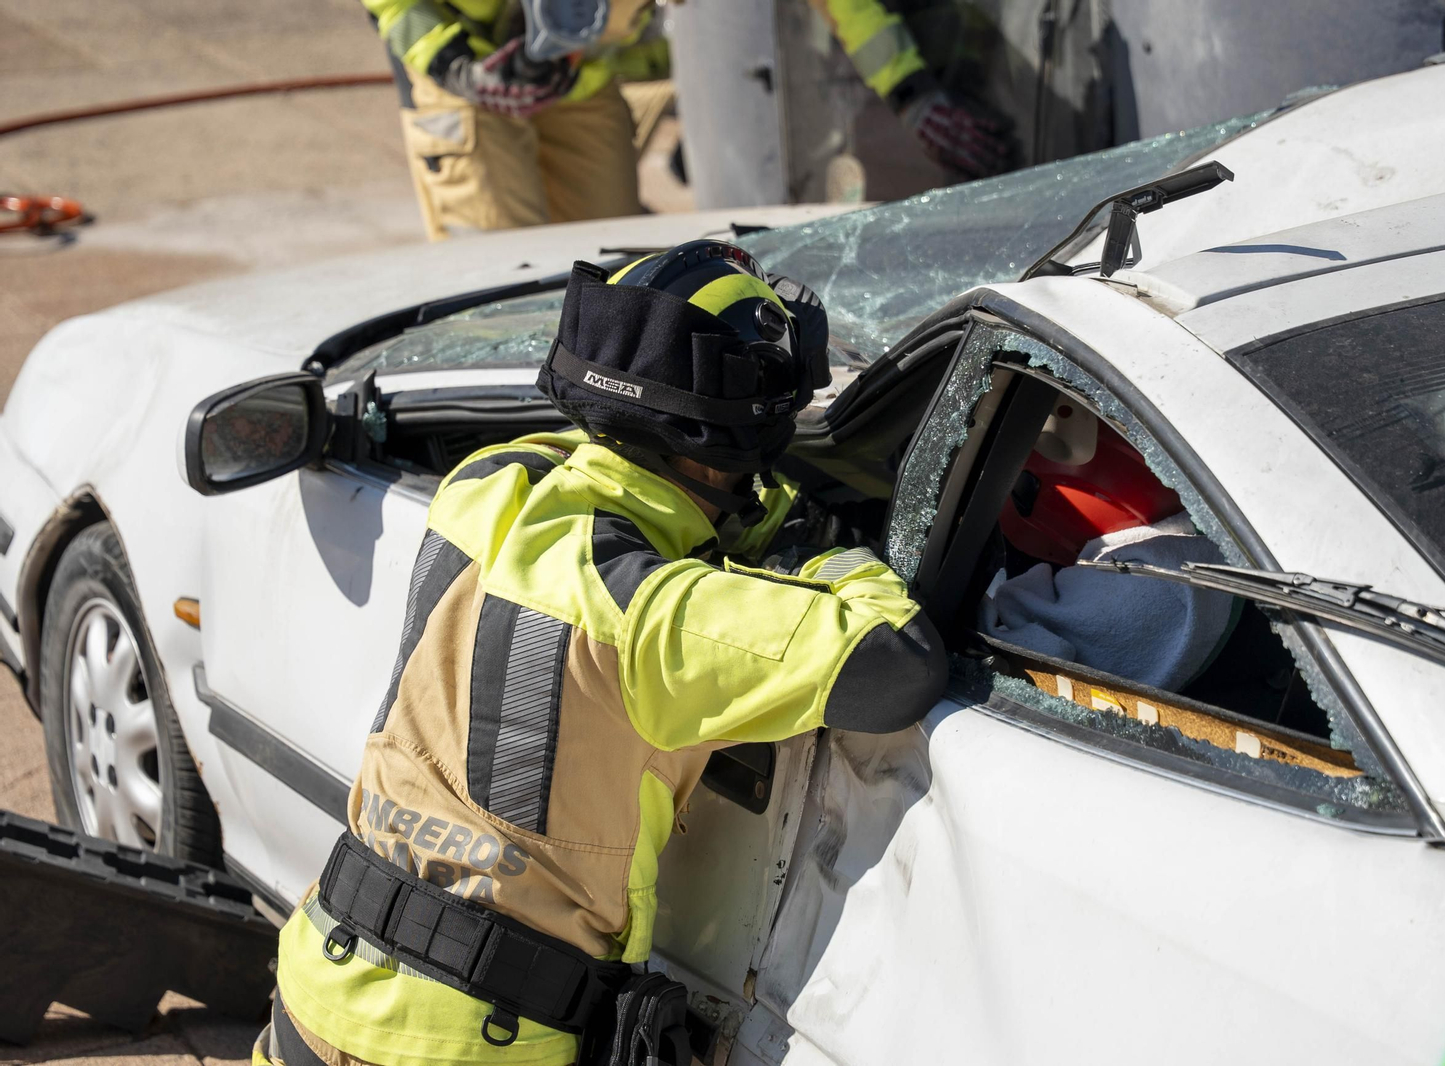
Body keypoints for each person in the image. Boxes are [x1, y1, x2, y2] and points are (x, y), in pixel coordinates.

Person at [254, 240, 947, 1066]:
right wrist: (819, 555)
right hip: (473, 1043)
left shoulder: (484, 489)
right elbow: (898, 662)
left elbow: (604, 491)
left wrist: (733, 510)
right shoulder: (658, 619)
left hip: (316, 985)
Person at [363, 0, 1013, 239]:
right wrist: (453, 66)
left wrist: (910, 91)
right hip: (467, 82)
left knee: (597, 272)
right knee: (495, 288)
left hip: (582, 81)